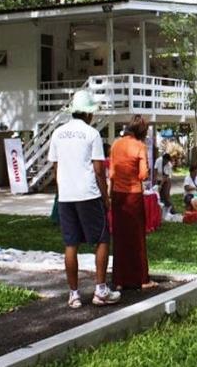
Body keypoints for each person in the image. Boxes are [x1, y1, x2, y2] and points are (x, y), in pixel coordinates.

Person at [47, 90, 120, 309]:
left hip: (66, 195)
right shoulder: (92, 134)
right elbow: (98, 170)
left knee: (71, 244)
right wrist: (106, 197)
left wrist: (62, 190)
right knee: (102, 240)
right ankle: (100, 290)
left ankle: (74, 294)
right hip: (88, 194)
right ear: (88, 113)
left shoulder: (58, 133)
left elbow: (56, 167)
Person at [109, 115, 157, 291]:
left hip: (117, 195)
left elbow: (112, 173)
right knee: (137, 238)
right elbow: (143, 175)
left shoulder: (115, 144)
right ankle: (142, 279)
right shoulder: (140, 146)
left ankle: (119, 280)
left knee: (120, 238)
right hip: (134, 195)